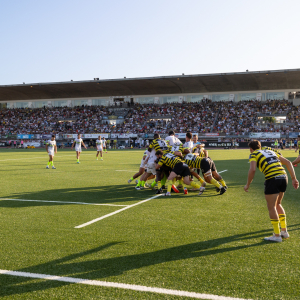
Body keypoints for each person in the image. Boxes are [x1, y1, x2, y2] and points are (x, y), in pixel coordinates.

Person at [244, 140, 299, 242]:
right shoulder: (270, 150)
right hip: (284, 176)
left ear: (251, 149)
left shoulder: (253, 154)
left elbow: (252, 170)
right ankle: (284, 231)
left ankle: (277, 236)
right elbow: (287, 162)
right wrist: (294, 178)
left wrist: (247, 184)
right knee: (278, 204)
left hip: (272, 178)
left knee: (271, 207)